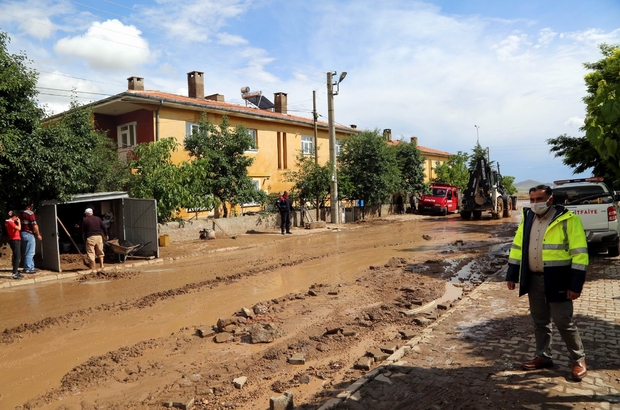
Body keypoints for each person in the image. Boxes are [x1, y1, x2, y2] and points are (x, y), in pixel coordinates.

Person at [506, 184, 588, 381]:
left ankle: (578, 359)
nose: (535, 204)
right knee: (540, 321)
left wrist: (575, 285)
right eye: (532, 200)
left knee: (563, 321)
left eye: (539, 200)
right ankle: (543, 356)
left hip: (558, 280)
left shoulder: (568, 220)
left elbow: (580, 254)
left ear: (550, 200)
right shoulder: (527, 219)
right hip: (534, 279)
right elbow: (517, 247)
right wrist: (512, 274)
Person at [19, 203, 42, 274]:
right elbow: (34, 225)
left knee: (27, 251)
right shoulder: (30, 213)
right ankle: (28, 268)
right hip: (29, 233)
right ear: (29, 207)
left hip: (22, 233)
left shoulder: (20, 213)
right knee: (30, 252)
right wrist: (38, 234)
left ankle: (31, 266)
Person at [5, 211, 23, 279]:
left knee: (17, 256)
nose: (17, 218)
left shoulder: (9, 222)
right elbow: (19, 228)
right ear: (14, 216)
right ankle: (14, 273)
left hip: (16, 239)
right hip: (14, 240)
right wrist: (19, 222)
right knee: (17, 256)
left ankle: (16, 271)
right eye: (17, 217)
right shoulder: (10, 222)